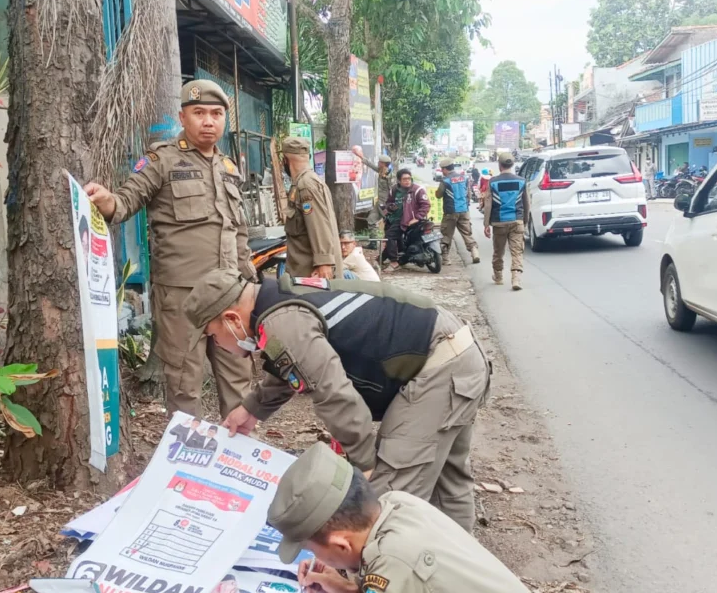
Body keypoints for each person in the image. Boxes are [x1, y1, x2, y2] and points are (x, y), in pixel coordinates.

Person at [182, 269, 489, 531]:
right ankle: (460, 573)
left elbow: (334, 394)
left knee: (388, 501)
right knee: (449, 483)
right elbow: (294, 367)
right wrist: (250, 410)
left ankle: (386, 588)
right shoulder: (278, 302)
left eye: (213, 335)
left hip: (438, 367)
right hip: (456, 351)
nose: (218, 345)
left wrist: (365, 462)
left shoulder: (282, 324)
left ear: (232, 319)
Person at [83, 80, 253, 419]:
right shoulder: (162, 160)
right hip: (181, 296)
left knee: (239, 379)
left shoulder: (229, 168)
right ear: (183, 117)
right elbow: (124, 202)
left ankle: (238, 458)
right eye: (199, 113)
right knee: (183, 383)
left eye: (217, 114)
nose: (208, 121)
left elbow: (238, 231)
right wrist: (105, 200)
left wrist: (248, 280)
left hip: (231, 294)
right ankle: (187, 462)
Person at [247, 443, 542, 593]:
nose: (318, 561)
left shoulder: (395, 563)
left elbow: (400, 576)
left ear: (341, 544)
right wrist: (355, 592)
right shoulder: (395, 504)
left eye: (314, 551)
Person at [281, 136, 341, 279]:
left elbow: (319, 224)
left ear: (285, 159)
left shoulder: (306, 185)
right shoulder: (306, 182)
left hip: (312, 275)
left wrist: (324, 263)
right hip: (303, 271)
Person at [482, 153, 527, 290]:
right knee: (517, 251)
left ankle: (499, 276)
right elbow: (526, 203)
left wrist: (486, 224)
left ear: (499, 165)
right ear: (512, 165)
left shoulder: (493, 182)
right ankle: (516, 279)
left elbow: (488, 204)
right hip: (516, 220)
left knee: (498, 251)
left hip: (499, 222)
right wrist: (525, 221)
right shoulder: (521, 181)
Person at [381, 169, 429, 273]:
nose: (407, 181)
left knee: (390, 236)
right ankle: (382, 258)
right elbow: (388, 203)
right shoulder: (394, 190)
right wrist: (390, 207)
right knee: (392, 236)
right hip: (396, 219)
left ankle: (394, 262)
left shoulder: (417, 190)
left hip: (410, 221)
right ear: (399, 181)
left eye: (409, 178)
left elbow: (425, 205)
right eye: (404, 179)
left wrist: (417, 217)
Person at [434, 159, 480, 265]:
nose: (442, 171)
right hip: (464, 210)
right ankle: (474, 252)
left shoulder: (445, 181)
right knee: (467, 233)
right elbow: (468, 193)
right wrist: (466, 204)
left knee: (446, 234)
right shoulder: (464, 178)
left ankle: (446, 259)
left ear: (445, 169)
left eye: (442, 169)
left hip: (451, 211)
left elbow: (438, 195)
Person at [363, 153, 395, 236]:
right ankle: (373, 242)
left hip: (385, 203)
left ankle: (391, 241)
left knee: (389, 221)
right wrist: (360, 157)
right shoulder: (381, 171)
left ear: (383, 164)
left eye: (379, 162)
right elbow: (370, 165)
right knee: (371, 219)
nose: (378, 163)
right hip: (379, 202)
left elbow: (392, 190)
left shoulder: (389, 175)